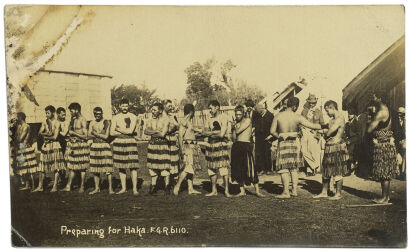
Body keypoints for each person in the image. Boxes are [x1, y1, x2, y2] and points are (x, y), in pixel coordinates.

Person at [270, 97, 323, 198]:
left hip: (283, 142)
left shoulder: (278, 116)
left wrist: (281, 136)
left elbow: (272, 131)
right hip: (295, 143)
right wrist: (326, 126)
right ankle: (294, 190)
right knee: (294, 168)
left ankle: (286, 192)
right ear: (295, 106)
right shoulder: (297, 117)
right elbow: (312, 125)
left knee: (284, 168)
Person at [367, 94, 400, 204]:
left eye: (375, 97)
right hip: (388, 145)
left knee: (384, 173)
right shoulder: (389, 110)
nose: (373, 99)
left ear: (380, 98)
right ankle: (386, 197)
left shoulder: (380, 112)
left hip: (382, 146)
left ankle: (384, 198)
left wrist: (370, 118)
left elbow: (369, 129)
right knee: (385, 172)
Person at [313, 100, 349, 200]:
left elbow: (329, 133)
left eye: (327, 110)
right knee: (326, 170)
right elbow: (326, 130)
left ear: (331, 108)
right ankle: (324, 192)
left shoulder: (339, 118)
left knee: (337, 170)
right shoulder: (333, 119)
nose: (327, 113)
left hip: (336, 146)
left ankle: (338, 194)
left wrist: (322, 131)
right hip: (329, 147)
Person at [197, 100, 232, 197]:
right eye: (209, 108)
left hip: (220, 145)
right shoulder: (209, 119)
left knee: (223, 168)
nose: (210, 110)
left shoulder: (223, 117)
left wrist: (211, 133)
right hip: (210, 146)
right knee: (211, 168)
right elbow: (204, 133)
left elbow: (221, 134)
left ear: (217, 107)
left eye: (211, 108)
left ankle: (226, 191)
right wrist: (214, 133)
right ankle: (214, 190)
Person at [231, 105, 264, 197]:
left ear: (243, 114)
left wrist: (234, 127)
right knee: (238, 168)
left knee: (250, 168)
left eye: (239, 114)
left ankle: (257, 191)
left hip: (245, 146)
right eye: (236, 114)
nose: (237, 116)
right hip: (237, 146)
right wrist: (233, 128)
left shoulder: (247, 121)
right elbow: (233, 138)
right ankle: (242, 190)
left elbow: (238, 131)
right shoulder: (235, 123)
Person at [110, 98, 140, 195]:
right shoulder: (115, 117)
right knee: (121, 167)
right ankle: (123, 188)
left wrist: (118, 129)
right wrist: (123, 132)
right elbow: (111, 132)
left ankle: (135, 189)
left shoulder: (133, 116)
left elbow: (130, 131)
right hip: (119, 143)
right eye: (123, 106)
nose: (124, 108)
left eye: (126, 106)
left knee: (133, 166)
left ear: (128, 106)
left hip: (130, 142)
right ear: (119, 106)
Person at [34, 105, 66, 192]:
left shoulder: (57, 123)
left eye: (48, 113)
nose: (46, 114)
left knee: (57, 166)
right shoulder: (44, 122)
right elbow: (39, 133)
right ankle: (40, 186)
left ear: (53, 112)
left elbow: (55, 137)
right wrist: (48, 134)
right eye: (46, 113)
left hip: (55, 145)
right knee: (42, 166)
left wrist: (47, 135)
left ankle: (55, 186)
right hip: (46, 145)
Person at [173, 104, 202, 195]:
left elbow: (189, 134)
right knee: (188, 167)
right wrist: (182, 151)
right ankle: (177, 186)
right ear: (191, 112)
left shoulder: (188, 121)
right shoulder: (184, 121)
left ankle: (190, 188)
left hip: (192, 146)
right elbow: (180, 136)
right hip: (187, 147)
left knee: (190, 168)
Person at [62, 103, 89, 193]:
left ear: (77, 110)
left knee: (82, 167)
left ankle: (82, 186)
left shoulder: (83, 120)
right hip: (74, 145)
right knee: (72, 166)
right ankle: (69, 186)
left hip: (81, 145)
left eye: (71, 110)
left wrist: (74, 133)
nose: (70, 112)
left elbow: (86, 136)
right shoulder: (73, 120)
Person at [145, 102, 171, 195]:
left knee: (164, 166)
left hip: (162, 145)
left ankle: (167, 187)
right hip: (152, 145)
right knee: (152, 166)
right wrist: (155, 131)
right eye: (152, 109)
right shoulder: (150, 120)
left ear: (160, 111)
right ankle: (153, 186)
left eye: (154, 110)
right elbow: (145, 131)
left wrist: (152, 132)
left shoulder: (166, 120)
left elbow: (162, 134)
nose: (152, 111)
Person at [88, 107, 114, 195]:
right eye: (96, 114)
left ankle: (110, 188)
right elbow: (88, 135)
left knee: (108, 167)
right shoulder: (92, 122)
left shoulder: (106, 122)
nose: (97, 115)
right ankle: (96, 188)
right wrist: (98, 135)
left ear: (102, 113)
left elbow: (106, 136)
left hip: (105, 145)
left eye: (99, 114)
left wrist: (95, 134)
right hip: (95, 145)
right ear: (94, 114)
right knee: (95, 168)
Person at [301, 93, 325, 175]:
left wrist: (317, 132)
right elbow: (300, 122)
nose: (312, 104)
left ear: (316, 103)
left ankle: (311, 170)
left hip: (314, 133)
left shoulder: (319, 112)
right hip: (305, 132)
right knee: (304, 151)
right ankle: (314, 166)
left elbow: (322, 124)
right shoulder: (304, 111)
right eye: (310, 102)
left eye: (313, 102)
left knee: (313, 151)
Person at [14, 112, 38, 191]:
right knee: (24, 168)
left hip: (26, 148)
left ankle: (33, 186)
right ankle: (27, 185)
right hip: (21, 148)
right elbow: (16, 137)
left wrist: (16, 138)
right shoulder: (19, 126)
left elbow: (20, 139)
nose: (16, 119)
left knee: (30, 168)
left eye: (17, 117)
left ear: (20, 117)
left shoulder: (26, 126)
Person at [254, 103, 274, 175]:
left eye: (257, 110)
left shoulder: (270, 115)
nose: (257, 112)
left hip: (267, 137)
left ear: (261, 109)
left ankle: (268, 169)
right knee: (259, 153)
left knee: (267, 153)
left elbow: (273, 127)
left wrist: (271, 137)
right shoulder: (256, 116)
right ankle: (260, 169)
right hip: (258, 137)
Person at [164, 100, 180, 186]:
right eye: (169, 106)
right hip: (165, 140)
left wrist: (173, 127)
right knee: (166, 160)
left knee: (174, 160)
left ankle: (174, 180)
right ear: (164, 106)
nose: (171, 108)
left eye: (171, 106)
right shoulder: (161, 116)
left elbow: (177, 126)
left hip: (173, 140)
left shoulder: (172, 116)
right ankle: (166, 182)